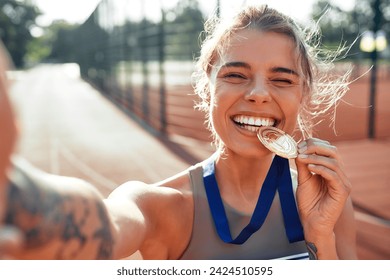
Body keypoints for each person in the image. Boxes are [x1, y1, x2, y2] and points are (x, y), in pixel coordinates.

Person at [0, 5, 357, 260]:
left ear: (304, 95)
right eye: (235, 75)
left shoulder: (330, 200)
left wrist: (320, 237)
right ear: (207, 89)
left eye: (282, 79)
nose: (259, 93)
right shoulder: (158, 206)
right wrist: (16, 200)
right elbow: (108, 225)